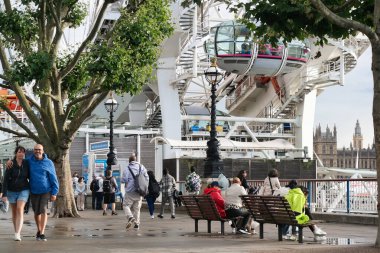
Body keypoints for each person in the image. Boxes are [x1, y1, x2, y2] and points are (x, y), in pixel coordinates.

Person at [28, 144, 59, 241]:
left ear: (43, 151)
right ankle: (38, 230)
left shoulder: (48, 162)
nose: (37, 151)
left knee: (43, 210)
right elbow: (19, 162)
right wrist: (9, 162)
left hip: (46, 191)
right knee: (36, 213)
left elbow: (53, 178)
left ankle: (42, 233)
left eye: (39, 150)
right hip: (33, 191)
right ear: (33, 151)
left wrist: (54, 192)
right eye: (36, 150)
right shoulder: (29, 161)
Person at [2, 146, 30, 241]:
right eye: (19, 152)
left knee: (20, 209)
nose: (21, 154)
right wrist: (4, 194)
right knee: (14, 212)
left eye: (23, 152)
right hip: (11, 191)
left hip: (24, 189)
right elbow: (5, 180)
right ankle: (15, 231)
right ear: (16, 153)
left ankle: (18, 233)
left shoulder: (27, 163)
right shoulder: (11, 164)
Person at [122, 155, 148, 230]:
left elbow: (124, 180)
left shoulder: (127, 168)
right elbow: (147, 177)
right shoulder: (141, 167)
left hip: (130, 191)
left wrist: (125, 181)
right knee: (137, 209)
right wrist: (144, 187)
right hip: (140, 191)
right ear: (135, 160)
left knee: (125, 205)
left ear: (129, 161)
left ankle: (130, 217)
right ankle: (137, 224)